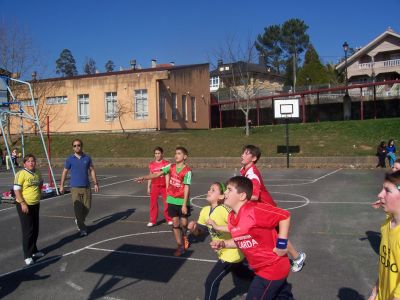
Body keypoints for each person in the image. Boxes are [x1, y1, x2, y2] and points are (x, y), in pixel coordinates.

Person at [210, 176, 294, 300]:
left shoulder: (254, 209)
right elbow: (242, 241)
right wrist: (223, 244)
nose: (225, 192)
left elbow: (284, 216)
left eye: (229, 189)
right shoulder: (232, 218)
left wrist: (281, 244)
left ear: (242, 196)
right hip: (261, 269)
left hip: (272, 268)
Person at [239, 145, 306, 272]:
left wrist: (239, 199)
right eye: (243, 153)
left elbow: (254, 195)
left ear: (253, 158)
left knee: (279, 235)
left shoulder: (252, 173)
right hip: (258, 209)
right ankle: (258, 259)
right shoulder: (245, 170)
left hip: (266, 208)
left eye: (246, 153)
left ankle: (297, 257)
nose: (242, 155)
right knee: (264, 234)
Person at [188, 182, 252, 300]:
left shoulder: (224, 211)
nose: (208, 191)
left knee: (211, 282)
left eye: (213, 190)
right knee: (240, 272)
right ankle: (259, 281)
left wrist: (218, 227)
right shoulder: (205, 210)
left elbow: (240, 228)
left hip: (232, 253)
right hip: (224, 251)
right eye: (209, 189)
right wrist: (194, 229)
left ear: (221, 196)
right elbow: (201, 232)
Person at [135, 146, 192, 257]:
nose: (176, 155)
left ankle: (185, 236)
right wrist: (144, 177)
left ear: (185, 157)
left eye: (179, 153)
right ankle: (179, 246)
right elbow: (156, 174)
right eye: (176, 153)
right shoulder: (170, 166)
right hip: (171, 199)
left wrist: (184, 204)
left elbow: (186, 188)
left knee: (184, 223)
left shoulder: (187, 171)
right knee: (175, 223)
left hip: (182, 201)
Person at [368, 170, 400, 300]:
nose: (380, 194)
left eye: (387, 190)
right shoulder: (386, 225)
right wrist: (375, 291)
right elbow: (386, 267)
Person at [60, 139, 99, 237]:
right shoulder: (70, 159)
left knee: (87, 207)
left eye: (78, 145)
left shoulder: (87, 158)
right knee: (78, 209)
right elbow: (65, 172)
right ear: (72, 147)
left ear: (82, 146)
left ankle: (79, 220)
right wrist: (61, 185)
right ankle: (82, 228)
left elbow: (92, 170)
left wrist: (95, 183)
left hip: (86, 186)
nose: (77, 147)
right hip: (75, 187)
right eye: (74, 145)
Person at [14, 154, 44, 266]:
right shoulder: (21, 174)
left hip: (35, 204)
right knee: (28, 230)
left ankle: (34, 251)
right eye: (29, 161)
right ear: (24, 163)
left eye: (33, 161)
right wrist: (22, 203)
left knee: (35, 229)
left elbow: (40, 183)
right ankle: (27, 255)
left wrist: (38, 193)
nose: (31, 163)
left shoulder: (37, 172)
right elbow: (16, 189)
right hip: (24, 205)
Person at [147, 146, 172, 227]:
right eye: (156, 153)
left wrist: (168, 187)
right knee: (153, 203)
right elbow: (150, 176)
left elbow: (167, 175)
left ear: (162, 154)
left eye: (159, 153)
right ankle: (153, 221)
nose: (157, 155)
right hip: (155, 185)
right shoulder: (151, 164)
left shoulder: (166, 163)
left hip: (164, 185)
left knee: (167, 203)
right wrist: (148, 187)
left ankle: (169, 219)